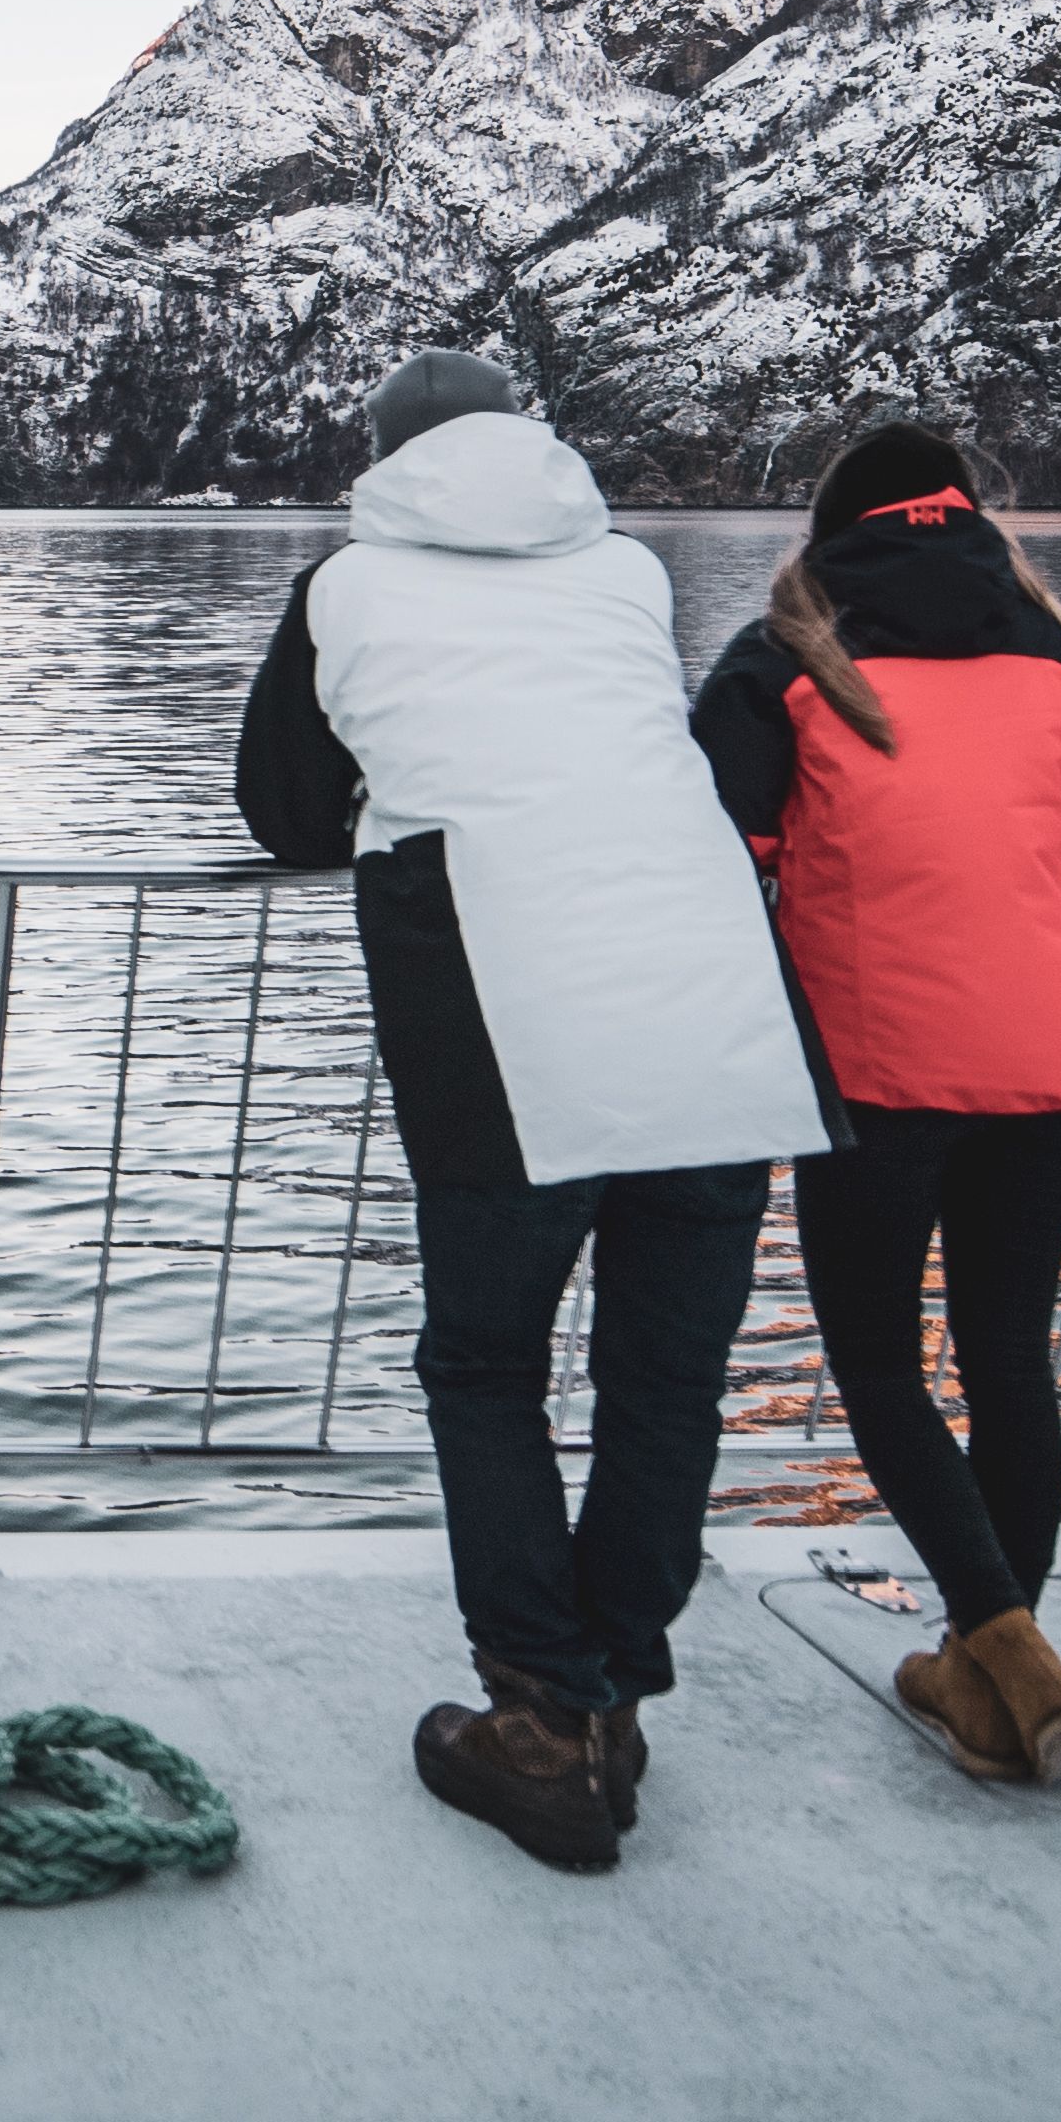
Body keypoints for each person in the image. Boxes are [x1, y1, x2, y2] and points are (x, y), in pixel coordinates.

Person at [239, 349, 826, 1874]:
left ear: (385, 459)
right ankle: (615, 1693)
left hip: (507, 1013)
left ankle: (542, 1722)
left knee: (486, 1367)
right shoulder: (625, 571)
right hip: (711, 1008)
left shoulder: (345, 588)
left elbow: (286, 812)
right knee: (664, 1380)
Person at [689, 424, 1061, 1786]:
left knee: (882, 1365)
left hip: (879, 1062)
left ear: (833, 526)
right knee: (1009, 1355)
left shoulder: (789, 654)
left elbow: (726, 830)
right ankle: (989, 1668)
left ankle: (1003, 1650)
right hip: (1049, 1052)